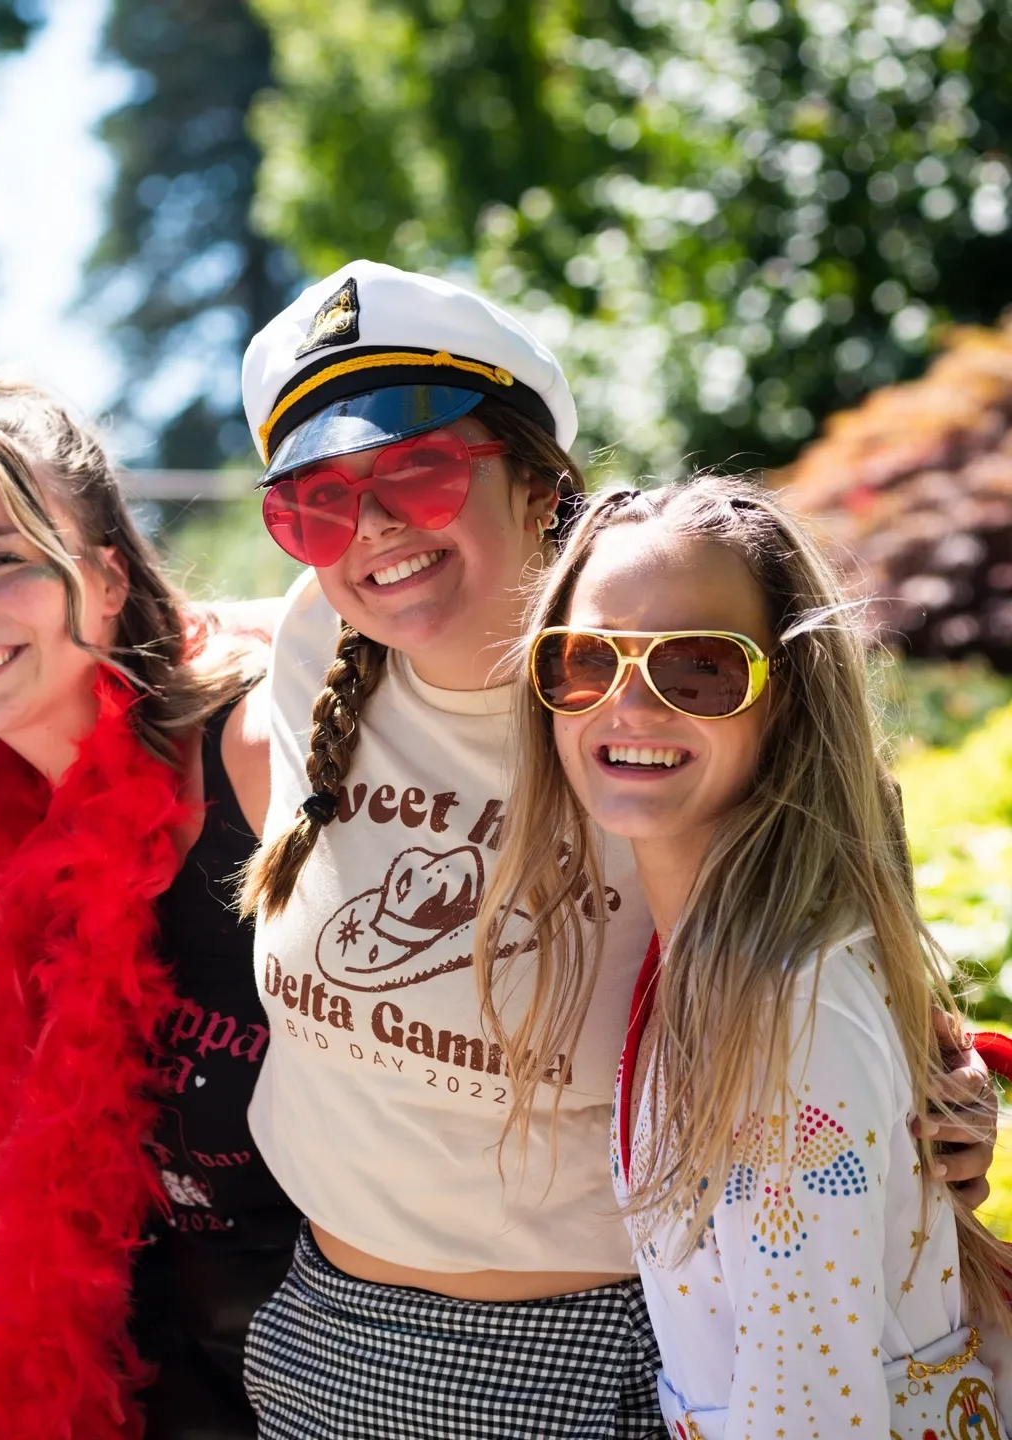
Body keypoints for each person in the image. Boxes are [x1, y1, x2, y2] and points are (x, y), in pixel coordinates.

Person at [231, 260, 999, 1438]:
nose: (371, 527)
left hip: (593, 1360)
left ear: (542, 484)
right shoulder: (312, 641)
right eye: (314, 502)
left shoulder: (662, 706)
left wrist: (935, 1101)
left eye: (420, 471)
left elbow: (840, 974)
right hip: (320, 1337)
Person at [483, 477, 1009, 1437]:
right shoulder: (712, 953)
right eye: (585, 660)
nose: (630, 704)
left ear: (789, 699)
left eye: (699, 669)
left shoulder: (781, 1017)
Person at [0, 374, 292, 1440]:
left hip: (339, 1378)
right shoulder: (10, 817)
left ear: (104, 579)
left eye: (1, 559)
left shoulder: (253, 751)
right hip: (173, 1382)